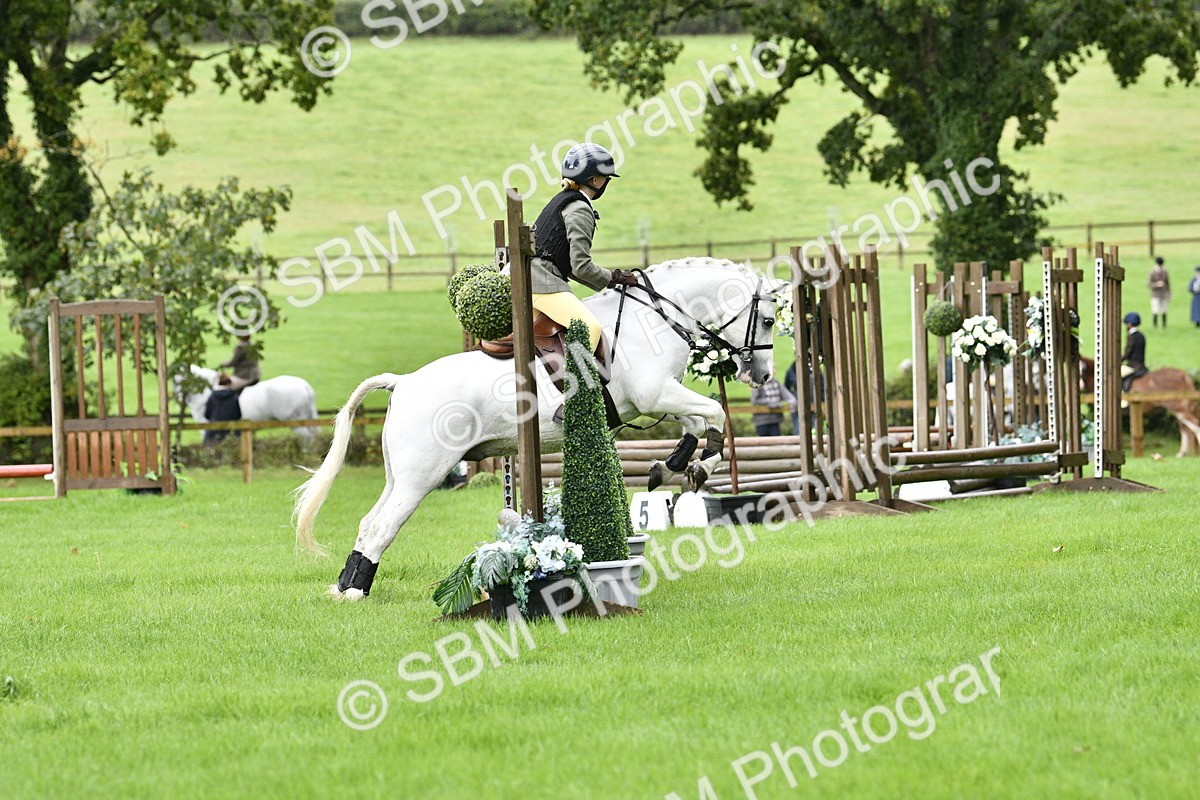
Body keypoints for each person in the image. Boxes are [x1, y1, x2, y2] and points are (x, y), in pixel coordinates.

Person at [529, 143, 638, 354]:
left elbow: (568, 264)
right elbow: (581, 266)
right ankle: (578, 387)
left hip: (530, 278)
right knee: (589, 328)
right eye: (606, 178)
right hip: (541, 283)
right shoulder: (580, 209)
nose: (606, 183)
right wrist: (615, 277)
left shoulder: (563, 200)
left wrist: (609, 279)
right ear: (595, 180)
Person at [1120, 312, 1147, 393]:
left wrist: (1119, 360)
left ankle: (1124, 397)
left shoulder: (1131, 336)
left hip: (1133, 366)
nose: (1126, 326)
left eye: (1126, 324)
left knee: (1115, 375)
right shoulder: (1141, 335)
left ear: (1130, 324)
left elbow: (1128, 352)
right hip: (1141, 365)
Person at [1148, 257, 1170, 328]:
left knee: (1164, 310)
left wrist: (1169, 294)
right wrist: (1157, 284)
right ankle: (1155, 325)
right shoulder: (1152, 272)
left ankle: (1164, 325)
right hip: (1155, 294)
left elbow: (1168, 284)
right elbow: (1149, 284)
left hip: (1163, 294)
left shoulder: (1165, 272)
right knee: (1155, 310)